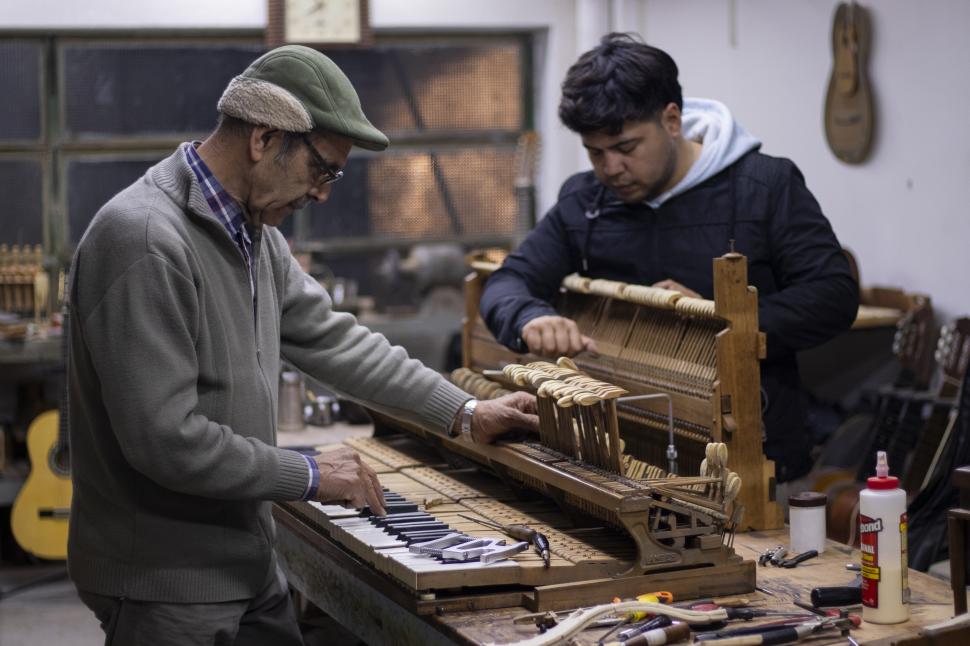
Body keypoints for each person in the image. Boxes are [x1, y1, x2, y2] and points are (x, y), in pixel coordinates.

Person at [66, 45, 538, 645]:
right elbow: (166, 442)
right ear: (264, 138)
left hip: (246, 557)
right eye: (323, 170)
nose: (323, 195)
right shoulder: (144, 239)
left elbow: (338, 340)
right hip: (167, 580)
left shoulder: (254, 234)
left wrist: (465, 413)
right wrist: (308, 474)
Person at [480, 33, 858, 484]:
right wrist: (529, 316)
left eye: (626, 148)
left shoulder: (765, 187)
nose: (610, 169)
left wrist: (721, 320)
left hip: (750, 458)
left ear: (672, 120)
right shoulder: (585, 201)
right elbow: (507, 282)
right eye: (595, 152)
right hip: (621, 456)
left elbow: (834, 295)